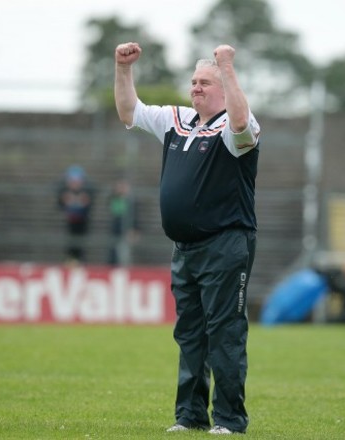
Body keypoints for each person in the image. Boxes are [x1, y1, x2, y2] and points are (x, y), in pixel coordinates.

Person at [115, 42, 261, 435]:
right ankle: (190, 416)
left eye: (205, 83)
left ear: (225, 87)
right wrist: (123, 69)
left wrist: (227, 66)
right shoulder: (177, 120)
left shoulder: (235, 125)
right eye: (194, 82)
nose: (196, 88)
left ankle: (229, 420)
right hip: (185, 249)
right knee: (190, 333)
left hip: (226, 244)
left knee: (225, 332)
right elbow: (130, 111)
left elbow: (241, 123)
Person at [56, 165, 95, 264]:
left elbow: (89, 205)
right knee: (70, 243)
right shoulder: (65, 193)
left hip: (82, 222)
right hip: (69, 222)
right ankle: (70, 260)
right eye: (72, 181)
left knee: (80, 243)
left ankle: (79, 261)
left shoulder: (86, 192)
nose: (74, 183)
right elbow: (60, 205)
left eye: (76, 181)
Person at [108, 178, 140, 266]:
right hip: (116, 232)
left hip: (126, 233)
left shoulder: (131, 201)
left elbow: (134, 217)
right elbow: (117, 213)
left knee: (124, 255)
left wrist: (135, 230)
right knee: (115, 254)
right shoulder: (115, 200)